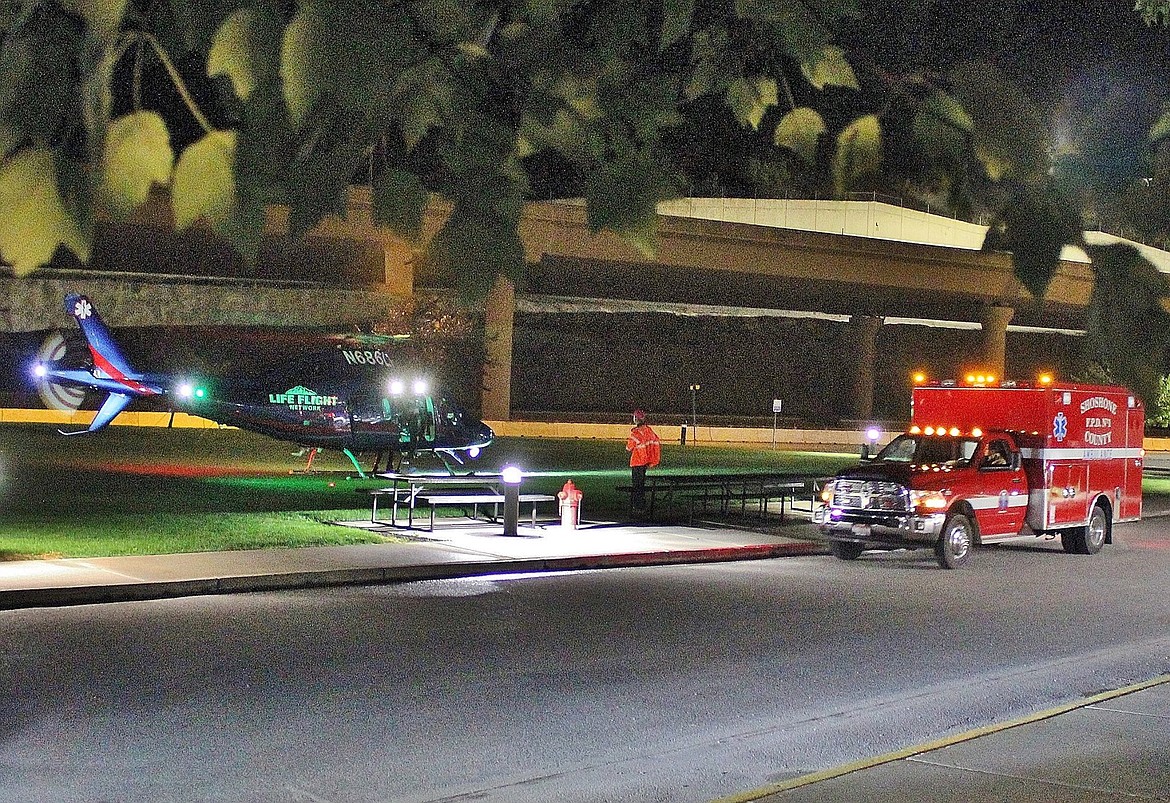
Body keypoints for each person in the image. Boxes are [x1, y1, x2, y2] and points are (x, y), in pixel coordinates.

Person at [626, 409, 661, 512]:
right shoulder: (649, 431)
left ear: (636, 419)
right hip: (645, 462)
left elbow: (629, 447)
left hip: (637, 462)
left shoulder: (636, 433)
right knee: (641, 484)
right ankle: (642, 505)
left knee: (636, 485)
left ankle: (638, 506)